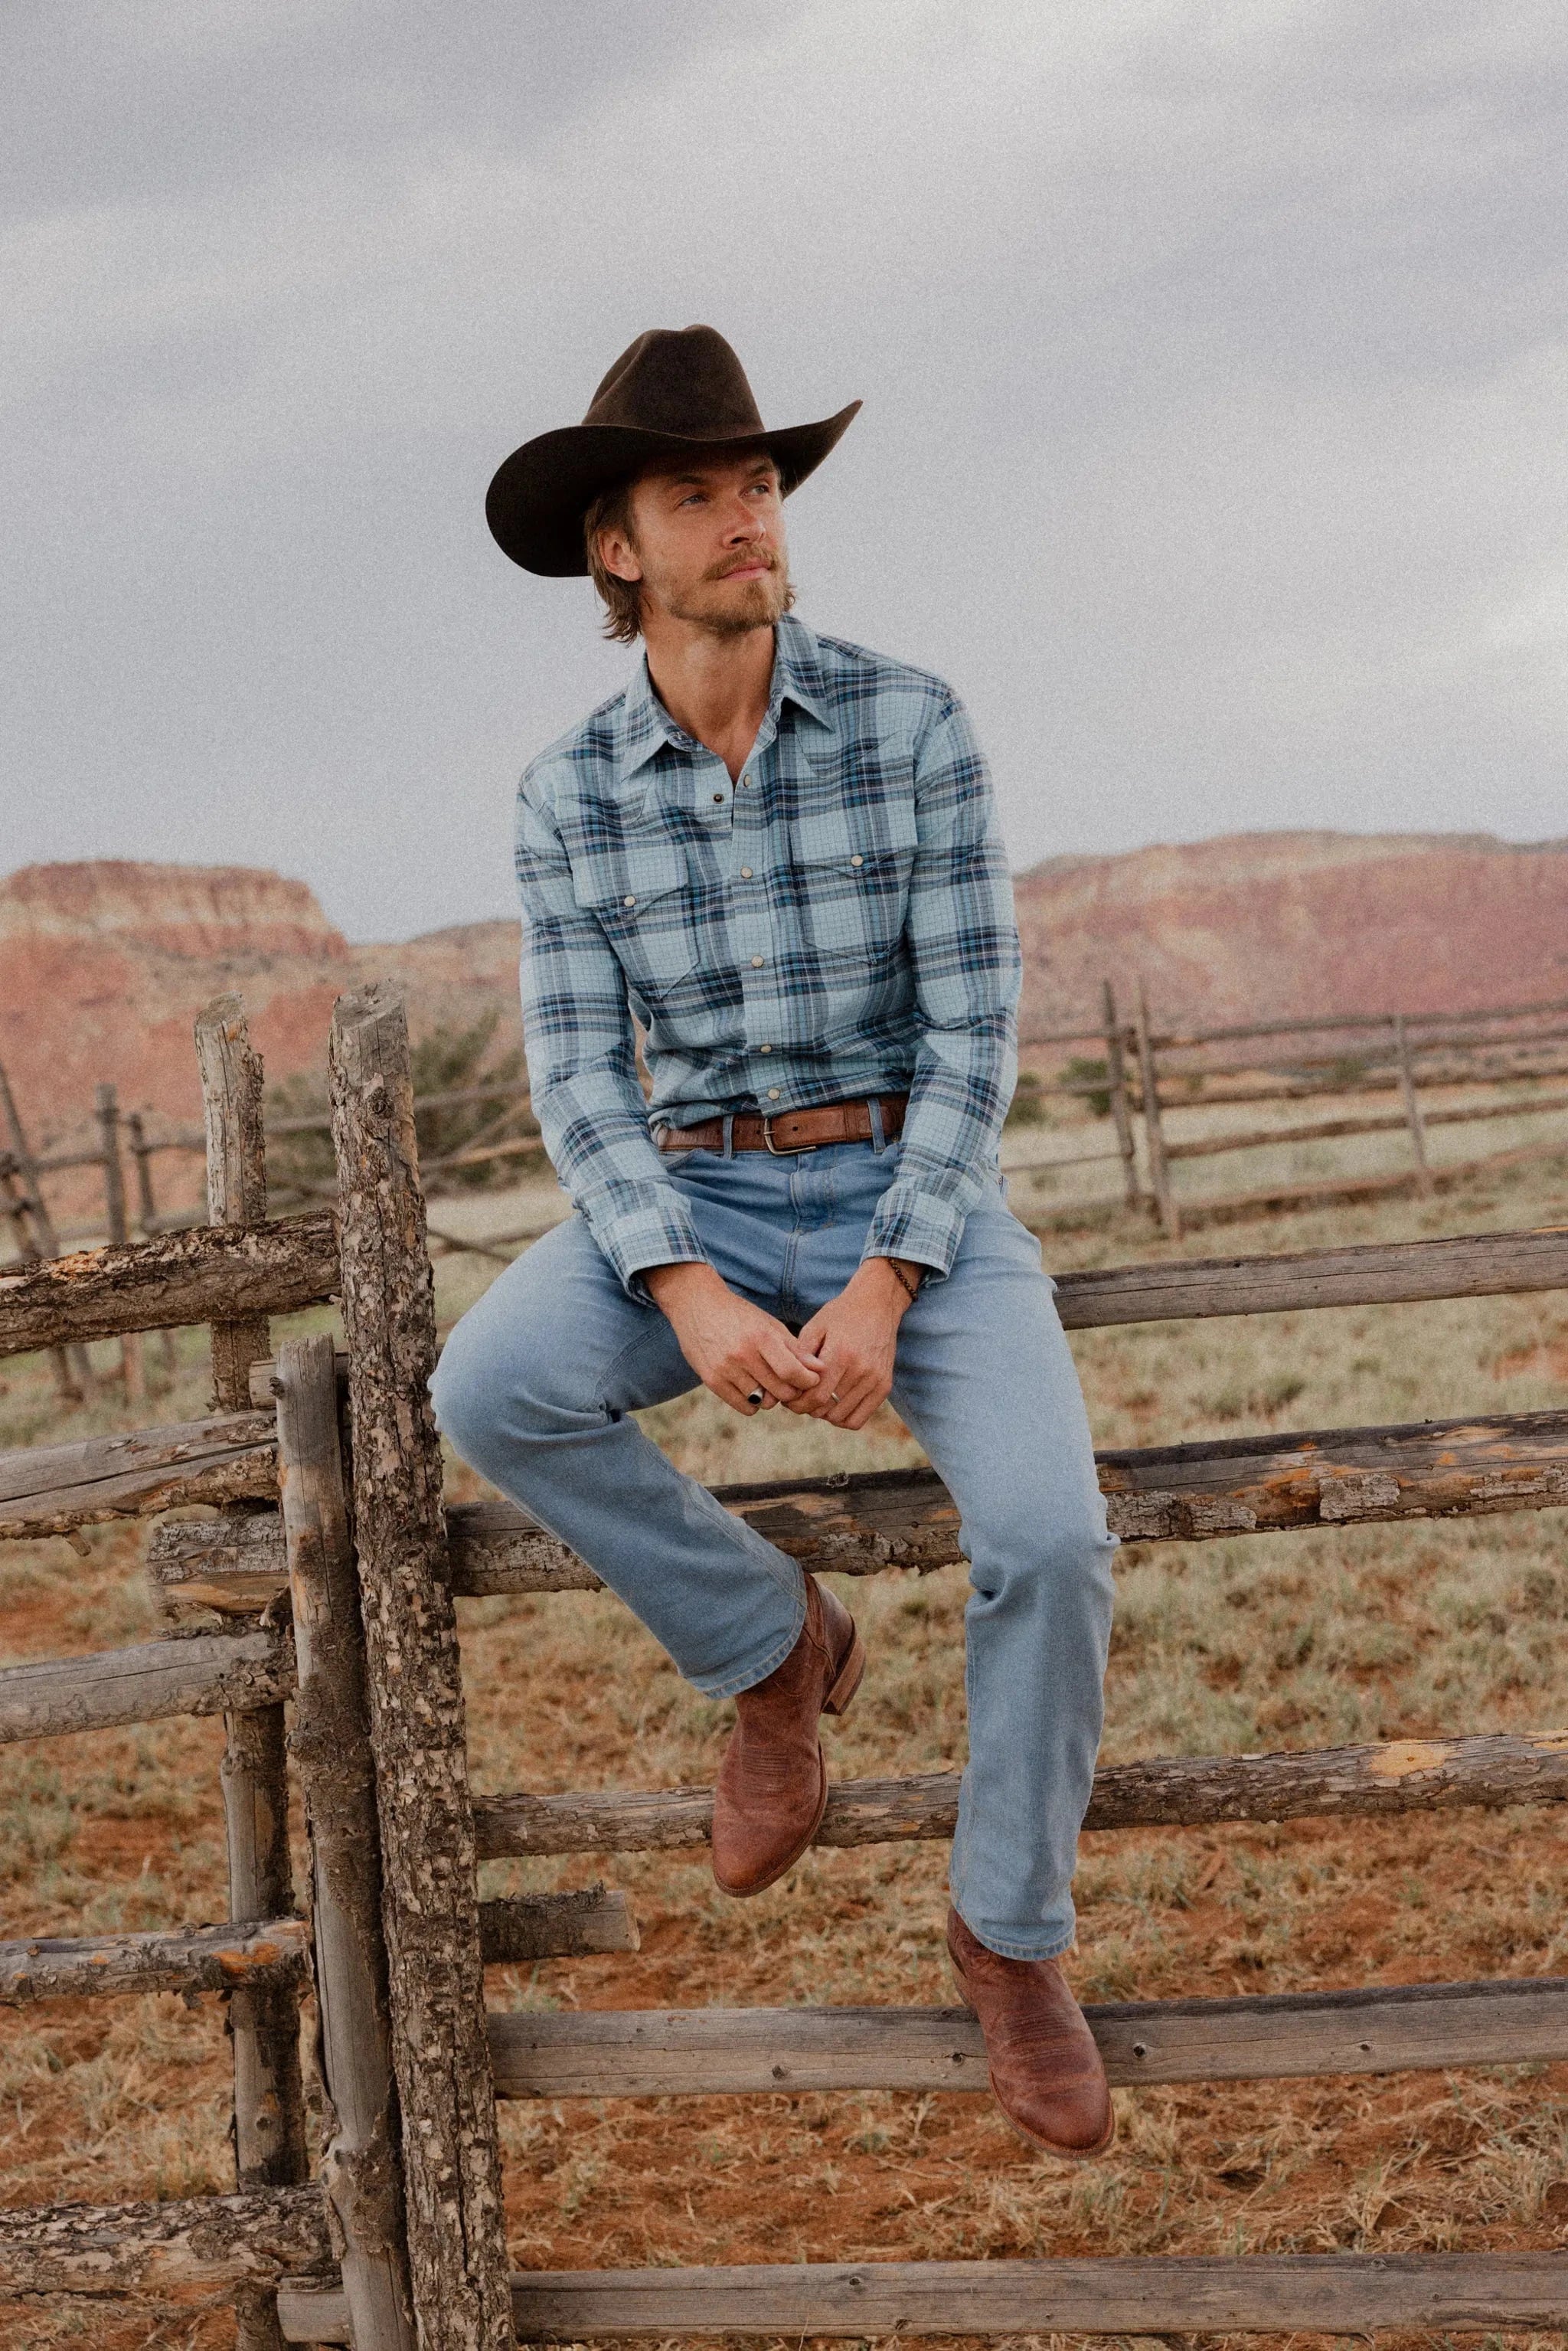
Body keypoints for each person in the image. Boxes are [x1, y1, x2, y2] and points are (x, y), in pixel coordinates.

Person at [433, 325, 1119, 2157]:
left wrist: (892, 1275)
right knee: (489, 1383)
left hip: (919, 1189)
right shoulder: (568, 794)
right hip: (701, 1189)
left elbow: (976, 1032)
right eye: (697, 493)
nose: (746, 516)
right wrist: (684, 1281)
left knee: (1050, 1534)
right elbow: (580, 1077)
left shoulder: (912, 720)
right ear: (619, 550)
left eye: (758, 484)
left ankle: (1008, 1930)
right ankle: (767, 1645)